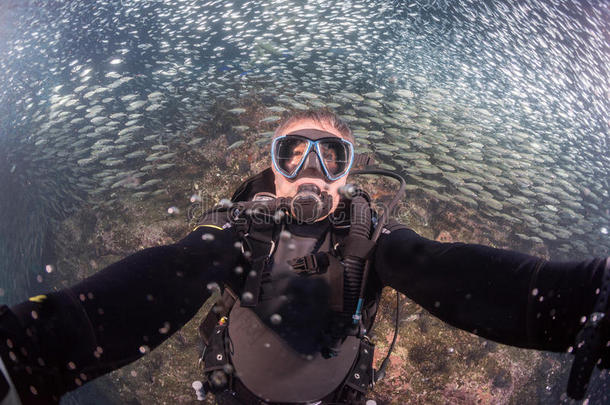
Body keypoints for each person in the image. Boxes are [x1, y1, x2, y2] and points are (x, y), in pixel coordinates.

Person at [0, 108, 608, 405]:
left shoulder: (375, 242)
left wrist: (580, 301)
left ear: (346, 174)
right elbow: (173, 270)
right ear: (274, 167)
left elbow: (443, 270)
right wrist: (31, 353)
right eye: (293, 153)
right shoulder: (236, 235)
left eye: (330, 156)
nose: (311, 172)